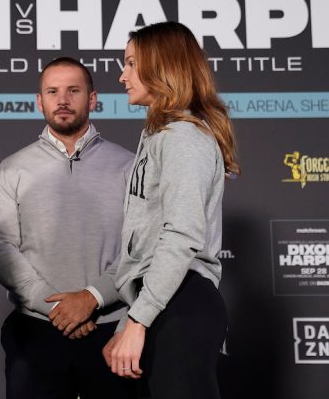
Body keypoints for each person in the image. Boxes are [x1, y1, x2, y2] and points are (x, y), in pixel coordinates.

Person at [103, 21, 240, 399]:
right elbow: (145, 249)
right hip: (164, 302)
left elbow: (180, 235)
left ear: (161, 68)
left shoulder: (183, 137)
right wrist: (128, 322)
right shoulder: (162, 134)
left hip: (180, 304)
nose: (122, 76)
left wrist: (136, 321)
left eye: (131, 64)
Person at [0, 57, 136, 399]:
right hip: (36, 329)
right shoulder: (13, 169)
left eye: (73, 90)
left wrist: (91, 298)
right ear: (39, 102)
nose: (63, 100)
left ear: (93, 99)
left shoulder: (129, 165)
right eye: (52, 92)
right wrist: (55, 307)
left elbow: (140, 247)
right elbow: (1, 247)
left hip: (113, 331)